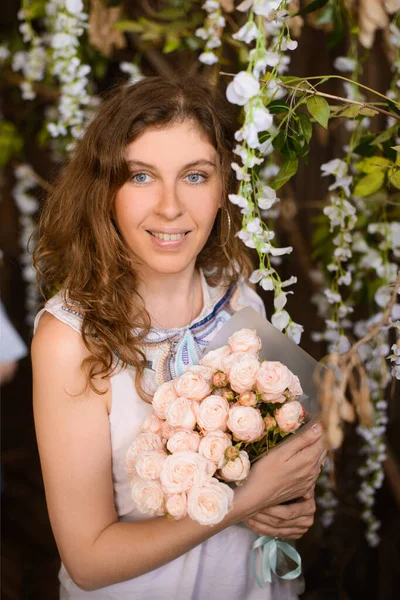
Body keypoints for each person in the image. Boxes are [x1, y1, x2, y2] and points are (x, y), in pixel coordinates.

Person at [31, 76, 326, 600]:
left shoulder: (241, 294)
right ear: (105, 190)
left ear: (223, 188)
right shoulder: (70, 341)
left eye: (194, 176)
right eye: (141, 176)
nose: (170, 207)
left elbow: (278, 450)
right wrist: (246, 500)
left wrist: (288, 502)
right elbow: (89, 561)